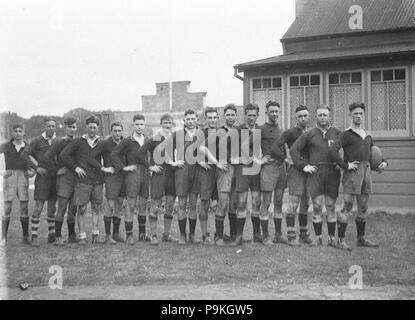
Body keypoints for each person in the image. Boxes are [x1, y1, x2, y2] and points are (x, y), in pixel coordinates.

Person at [329, 102, 387, 250]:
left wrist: (383, 163)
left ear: (364, 115)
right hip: (352, 174)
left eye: (361, 113)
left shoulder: (367, 135)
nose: (358, 116)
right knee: (347, 206)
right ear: (350, 115)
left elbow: (375, 154)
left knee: (363, 207)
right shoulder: (345, 134)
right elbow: (333, 151)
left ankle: (361, 239)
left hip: (366, 172)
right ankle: (340, 241)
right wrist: (346, 165)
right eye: (355, 113)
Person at [291, 105, 341, 247]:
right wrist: (303, 166)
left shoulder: (337, 133)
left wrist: (342, 163)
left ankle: (331, 238)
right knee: (317, 205)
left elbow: (349, 148)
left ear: (330, 116)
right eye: (320, 115)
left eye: (325, 115)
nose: (322, 118)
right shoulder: (310, 133)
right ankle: (318, 238)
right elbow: (294, 149)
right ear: (316, 117)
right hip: (316, 173)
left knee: (331, 205)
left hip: (332, 172)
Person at [271, 105, 312, 246]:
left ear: (309, 116)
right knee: (294, 203)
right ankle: (291, 235)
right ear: (296, 118)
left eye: (305, 116)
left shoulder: (313, 132)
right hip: (295, 171)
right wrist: (286, 159)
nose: (303, 118)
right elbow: (275, 147)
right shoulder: (290, 132)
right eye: (300, 116)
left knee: (306, 204)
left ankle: (304, 234)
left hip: (309, 170)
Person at [60, 115, 104, 245]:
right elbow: (63, 155)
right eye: (90, 127)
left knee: (96, 208)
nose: (92, 130)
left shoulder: (101, 142)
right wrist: (75, 168)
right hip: (83, 181)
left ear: (98, 128)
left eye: (94, 128)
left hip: (97, 180)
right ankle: (82, 236)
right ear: (86, 127)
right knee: (82, 209)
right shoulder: (78, 141)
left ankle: (96, 234)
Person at [199, 104, 239, 246]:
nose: (230, 117)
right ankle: (219, 237)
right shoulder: (219, 132)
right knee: (223, 203)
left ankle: (234, 236)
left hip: (237, 170)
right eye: (227, 115)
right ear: (224, 116)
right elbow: (202, 147)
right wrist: (216, 162)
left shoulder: (238, 130)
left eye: (233, 115)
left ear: (236, 116)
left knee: (234, 203)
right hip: (224, 170)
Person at [135, 113, 177, 245]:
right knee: (155, 205)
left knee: (169, 205)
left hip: (171, 174)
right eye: (165, 122)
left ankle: (166, 234)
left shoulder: (175, 138)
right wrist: (150, 167)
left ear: (172, 124)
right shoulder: (155, 138)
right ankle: (153, 235)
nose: (167, 125)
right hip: (159, 174)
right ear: (161, 124)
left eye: (169, 122)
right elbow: (140, 153)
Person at [111, 114, 150, 245]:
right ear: (133, 125)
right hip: (132, 174)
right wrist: (123, 168)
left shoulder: (147, 140)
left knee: (143, 204)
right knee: (131, 205)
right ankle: (129, 236)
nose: (139, 127)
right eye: (137, 124)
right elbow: (114, 154)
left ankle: (142, 234)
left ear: (144, 125)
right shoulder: (127, 141)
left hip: (145, 174)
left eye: (141, 124)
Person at [164, 108, 201, 245]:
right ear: (184, 121)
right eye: (188, 119)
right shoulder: (176, 134)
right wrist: (173, 163)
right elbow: (164, 151)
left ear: (197, 119)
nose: (190, 121)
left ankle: (191, 234)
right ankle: (182, 235)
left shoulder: (200, 134)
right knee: (182, 204)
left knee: (192, 205)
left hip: (196, 172)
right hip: (181, 172)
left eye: (193, 119)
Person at [88, 121, 126, 244]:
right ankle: (107, 236)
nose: (117, 133)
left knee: (119, 204)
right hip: (111, 178)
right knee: (110, 205)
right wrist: (103, 168)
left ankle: (115, 234)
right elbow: (90, 157)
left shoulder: (125, 142)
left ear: (122, 131)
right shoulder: (105, 144)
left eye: (119, 130)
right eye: (115, 131)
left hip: (123, 177)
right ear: (111, 131)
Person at [22, 117, 58, 247]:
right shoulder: (37, 141)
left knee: (52, 207)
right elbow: (25, 154)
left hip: (54, 179)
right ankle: (35, 236)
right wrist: (37, 168)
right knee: (38, 207)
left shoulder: (57, 141)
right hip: (42, 179)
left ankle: (52, 235)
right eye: (49, 126)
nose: (51, 128)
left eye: (53, 126)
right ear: (45, 127)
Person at [42, 116, 79, 246]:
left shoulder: (79, 141)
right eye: (69, 127)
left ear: (76, 128)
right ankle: (57, 237)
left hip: (77, 177)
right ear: (65, 128)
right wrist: (56, 170)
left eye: (74, 127)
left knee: (73, 207)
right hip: (64, 178)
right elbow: (46, 157)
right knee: (62, 206)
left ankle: (72, 235)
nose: (71, 130)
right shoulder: (59, 143)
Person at [232, 103, 262, 246]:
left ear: (257, 116)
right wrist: (235, 158)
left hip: (257, 170)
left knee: (257, 201)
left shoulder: (261, 130)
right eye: (249, 115)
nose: (251, 118)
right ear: (245, 115)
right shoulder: (237, 130)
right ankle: (239, 236)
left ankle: (257, 234)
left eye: (254, 115)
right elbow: (226, 148)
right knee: (242, 202)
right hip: (243, 170)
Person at [258, 101, 287, 246]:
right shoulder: (261, 129)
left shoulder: (281, 131)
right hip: (268, 169)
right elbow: (246, 146)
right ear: (266, 112)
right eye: (272, 111)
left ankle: (278, 235)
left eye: (276, 111)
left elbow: (284, 150)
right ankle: (265, 236)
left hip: (281, 168)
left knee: (279, 202)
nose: (274, 114)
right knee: (266, 202)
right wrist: (259, 160)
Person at [0, 123, 33, 246]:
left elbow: (37, 161)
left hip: (23, 177)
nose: (18, 133)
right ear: (12, 133)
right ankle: (3, 238)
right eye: (16, 131)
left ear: (24, 132)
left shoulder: (28, 146)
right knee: (7, 208)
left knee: (24, 207)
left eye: (20, 131)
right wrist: (2, 172)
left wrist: (33, 172)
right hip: (10, 177)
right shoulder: (6, 146)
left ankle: (25, 237)